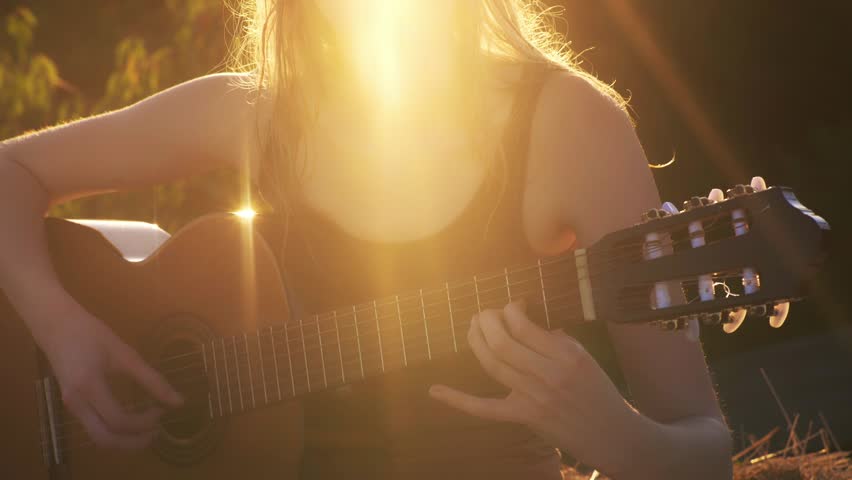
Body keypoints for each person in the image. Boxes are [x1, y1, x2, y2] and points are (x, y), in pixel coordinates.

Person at [0, 1, 733, 478]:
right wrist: (63, 330)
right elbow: (12, 170)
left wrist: (616, 437)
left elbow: (704, 444)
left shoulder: (570, 124)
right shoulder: (256, 111)